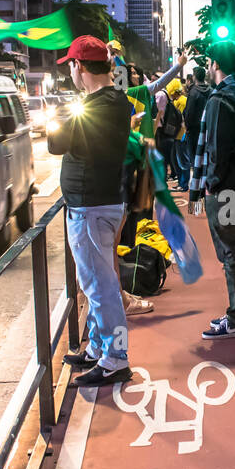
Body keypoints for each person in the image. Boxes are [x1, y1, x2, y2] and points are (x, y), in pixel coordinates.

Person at [49, 35, 134, 387]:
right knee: (95, 282)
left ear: (79, 67)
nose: (71, 71)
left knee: (100, 285)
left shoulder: (94, 107)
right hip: (101, 201)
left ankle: (115, 358)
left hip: (90, 205)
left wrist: (61, 115)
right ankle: (99, 348)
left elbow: (55, 143)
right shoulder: (115, 101)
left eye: (71, 64)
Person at [189, 40, 235, 340]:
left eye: (209, 63)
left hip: (223, 189)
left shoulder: (219, 101)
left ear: (216, 65)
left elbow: (214, 149)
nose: (208, 68)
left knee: (231, 252)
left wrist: (208, 186)